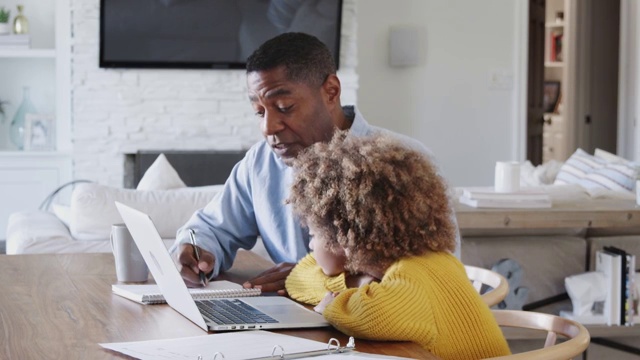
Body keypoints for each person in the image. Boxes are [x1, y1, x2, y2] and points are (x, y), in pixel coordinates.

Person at [171, 32, 456, 293]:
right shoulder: (260, 163)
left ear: (331, 91)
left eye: (285, 108)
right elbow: (212, 228)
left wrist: (315, 280)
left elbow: (434, 279)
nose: (268, 127)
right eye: (259, 112)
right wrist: (196, 250)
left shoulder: (401, 165)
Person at [284, 132, 510, 359]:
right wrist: (353, 281)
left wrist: (332, 307)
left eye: (313, 235)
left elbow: (374, 316)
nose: (311, 246)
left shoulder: (411, 274)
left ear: (343, 238)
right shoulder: (423, 260)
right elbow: (299, 278)